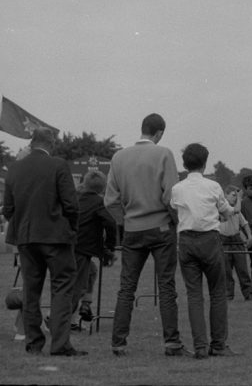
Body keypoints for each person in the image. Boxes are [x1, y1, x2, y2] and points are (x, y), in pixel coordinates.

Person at [105, 113, 187, 357]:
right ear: (159, 133)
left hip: (132, 230)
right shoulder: (164, 154)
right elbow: (170, 196)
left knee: (126, 288)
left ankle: (118, 343)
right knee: (166, 286)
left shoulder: (118, 157)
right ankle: (172, 343)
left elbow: (110, 201)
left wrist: (126, 221)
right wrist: (175, 223)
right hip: (161, 228)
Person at [1, 126, 85, 356]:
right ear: (52, 144)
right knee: (62, 288)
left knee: (31, 290)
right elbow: (71, 205)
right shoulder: (58, 165)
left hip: (26, 238)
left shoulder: (15, 168)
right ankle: (60, 344)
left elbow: (8, 208)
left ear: (31, 143)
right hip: (56, 237)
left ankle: (33, 343)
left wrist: (23, 223)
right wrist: (71, 229)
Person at [169, 143, 235, 359]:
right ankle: (218, 344)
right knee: (217, 292)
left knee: (194, 295)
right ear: (205, 163)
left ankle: (199, 347)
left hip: (186, 241)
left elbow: (174, 208)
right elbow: (226, 214)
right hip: (209, 239)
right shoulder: (213, 186)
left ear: (185, 164)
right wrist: (230, 207)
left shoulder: (177, 188)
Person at [70, 170, 117, 330]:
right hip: (82, 248)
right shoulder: (97, 202)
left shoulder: (74, 198)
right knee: (76, 286)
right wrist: (110, 248)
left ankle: (84, 305)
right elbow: (110, 223)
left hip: (67, 245)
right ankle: (57, 318)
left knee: (90, 271)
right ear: (102, 188)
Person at [219, 186, 252, 301]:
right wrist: (240, 198)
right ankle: (228, 295)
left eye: (237, 196)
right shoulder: (222, 207)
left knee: (242, 269)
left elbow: (244, 224)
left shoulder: (236, 208)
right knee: (226, 271)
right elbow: (237, 210)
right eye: (233, 196)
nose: (236, 198)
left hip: (236, 239)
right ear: (226, 195)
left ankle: (248, 294)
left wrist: (249, 236)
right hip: (223, 240)